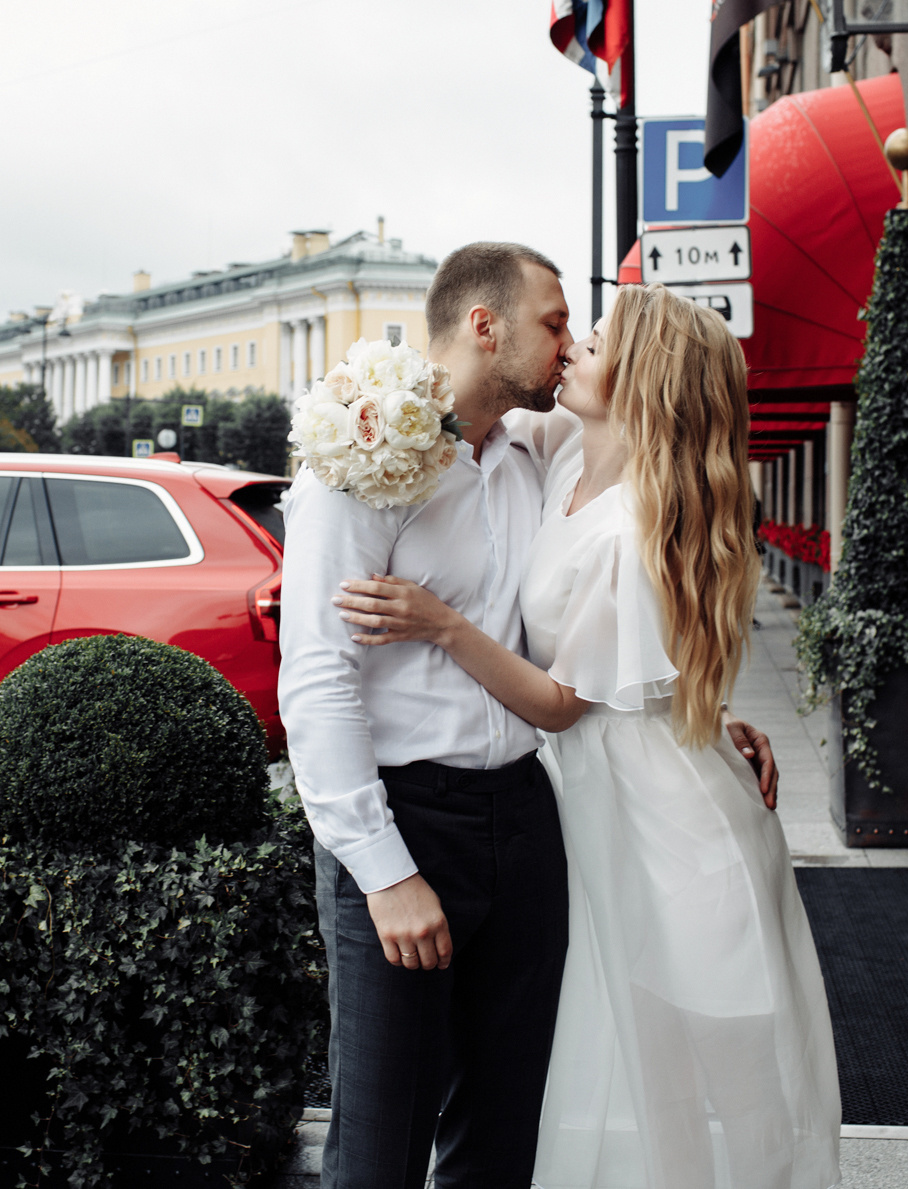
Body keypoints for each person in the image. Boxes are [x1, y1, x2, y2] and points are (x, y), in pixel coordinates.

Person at [279, 249, 781, 1189]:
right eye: (557, 324)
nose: (569, 345)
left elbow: (625, 573)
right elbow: (315, 677)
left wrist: (696, 713)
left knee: (508, 1129)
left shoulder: (533, 453)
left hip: (527, 815)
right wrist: (386, 875)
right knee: (380, 1136)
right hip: (405, 818)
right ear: (485, 325)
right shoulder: (360, 456)